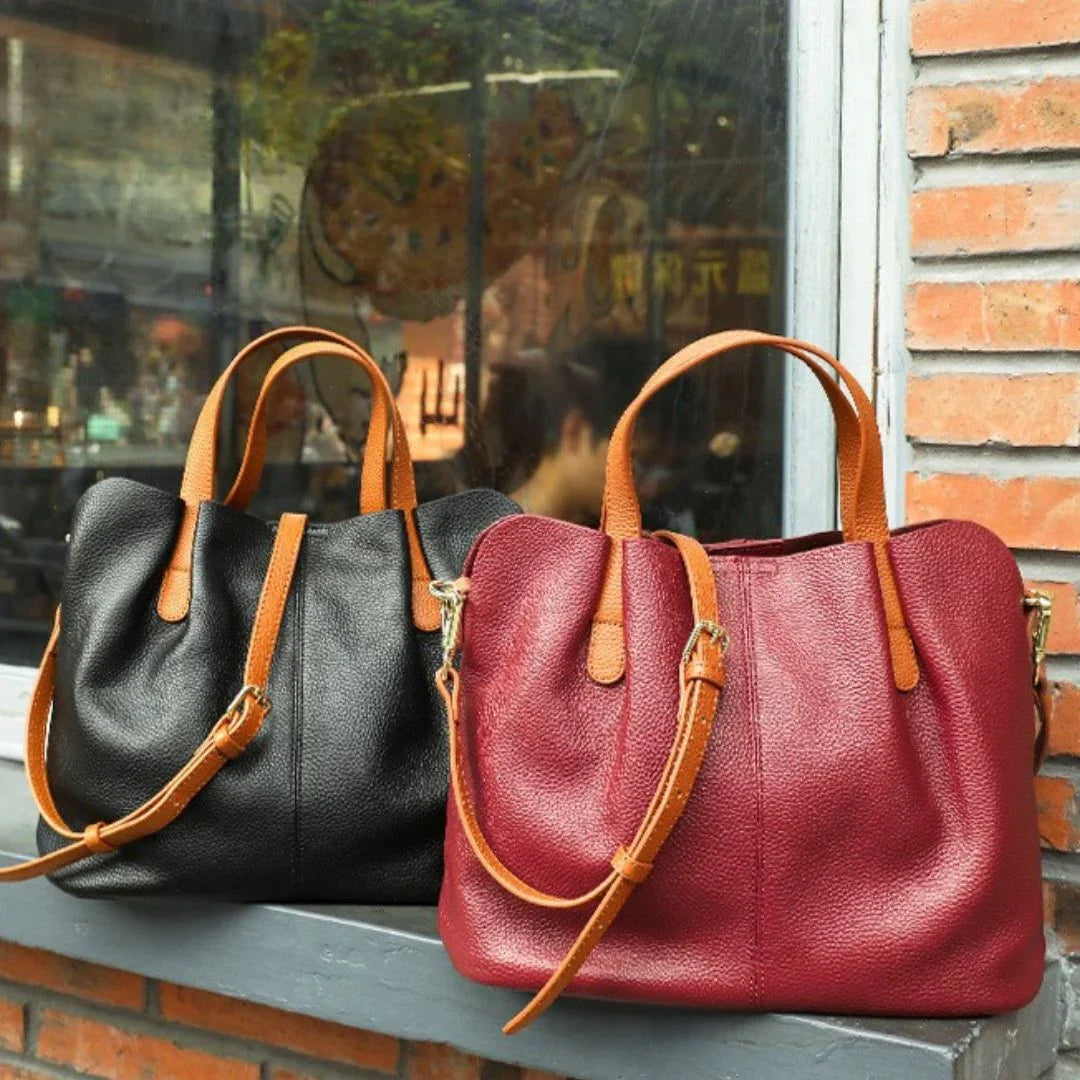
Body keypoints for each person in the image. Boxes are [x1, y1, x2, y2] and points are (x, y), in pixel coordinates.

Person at [478, 336, 664, 526]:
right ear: (575, 431)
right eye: (638, 464)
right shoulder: (479, 544)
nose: (652, 490)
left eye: (666, 471)